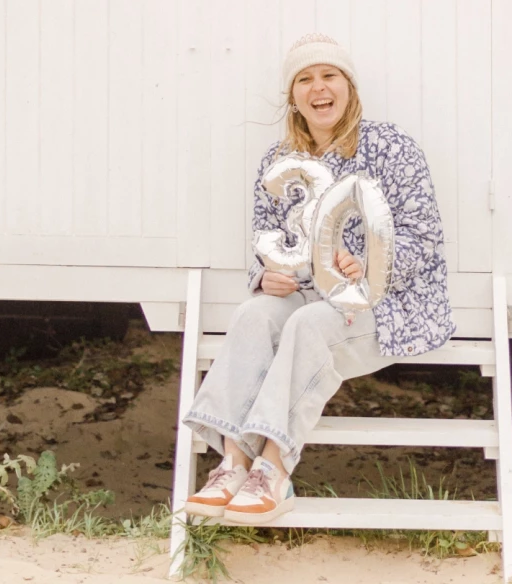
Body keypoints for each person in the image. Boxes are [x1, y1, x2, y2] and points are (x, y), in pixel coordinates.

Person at [182, 32, 453, 525]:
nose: (318, 88)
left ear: (348, 85)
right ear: (293, 95)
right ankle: (232, 464)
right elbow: (263, 238)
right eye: (305, 79)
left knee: (308, 324)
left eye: (329, 75)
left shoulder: (391, 148)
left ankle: (274, 469)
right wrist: (265, 277)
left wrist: (372, 262)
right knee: (253, 314)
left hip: (386, 304)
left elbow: (426, 237)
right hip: (309, 293)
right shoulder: (279, 162)